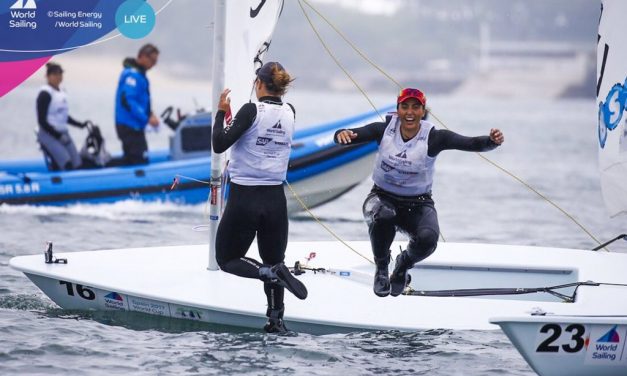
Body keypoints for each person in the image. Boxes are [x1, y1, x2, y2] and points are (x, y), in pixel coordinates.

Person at [334, 88, 505, 297]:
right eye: (404, 106)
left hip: (418, 203)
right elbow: (348, 135)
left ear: (423, 111)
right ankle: (381, 268)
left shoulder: (434, 138)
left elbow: (470, 143)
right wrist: (339, 134)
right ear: (397, 110)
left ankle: (402, 265)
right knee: (383, 215)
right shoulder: (383, 129)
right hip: (381, 197)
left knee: (429, 239)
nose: (410, 112)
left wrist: (491, 142)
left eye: (416, 107)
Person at [212, 62, 307, 333]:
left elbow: (219, 144)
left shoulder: (251, 109)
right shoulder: (290, 112)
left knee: (227, 259)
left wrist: (220, 114)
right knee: (275, 259)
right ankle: (276, 320)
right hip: (275, 199)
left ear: (259, 84)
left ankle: (269, 272)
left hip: (246, 198)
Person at [111, 43, 160, 166]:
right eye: (152, 60)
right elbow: (128, 100)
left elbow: (141, 100)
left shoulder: (140, 75)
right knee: (139, 161)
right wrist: (146, 118)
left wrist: (150, 114)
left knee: (132, 159)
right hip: (129, 126)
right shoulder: (132, 75)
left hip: (134, 125)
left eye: (155, 61)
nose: (154, 64)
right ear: (143, 56)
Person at [36, 62, 90, 171]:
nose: (58, 77)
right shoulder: (45, 94)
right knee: (67, 164)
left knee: (78, 164)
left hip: (63, 133)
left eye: (60, 74)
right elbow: (41, 121)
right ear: (48, 76)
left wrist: (80, 125)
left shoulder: (60, 92)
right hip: (48, 135)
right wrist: (57, 136)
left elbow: (64, 116)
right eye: (55, 74)